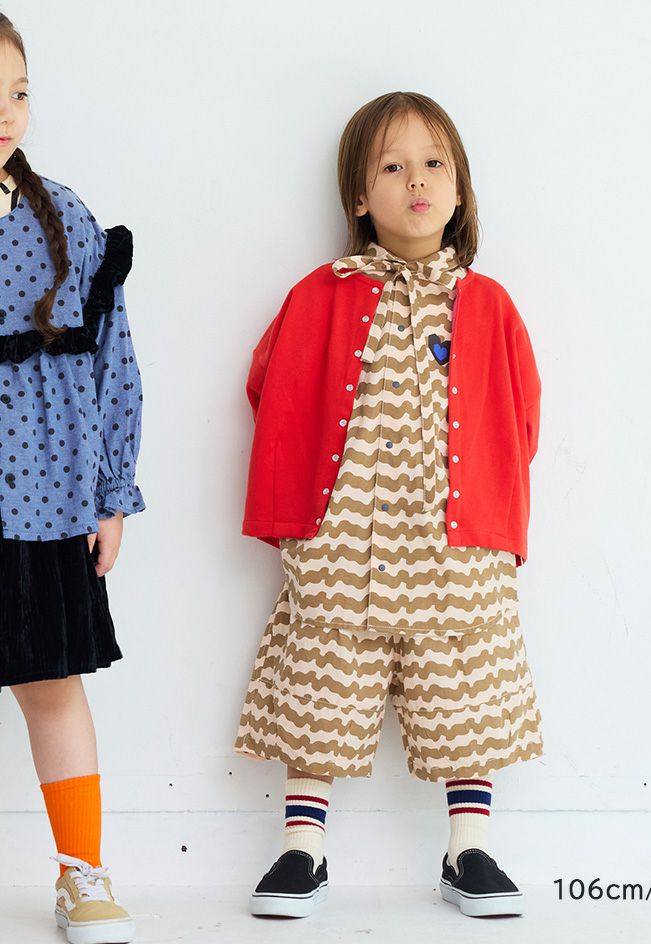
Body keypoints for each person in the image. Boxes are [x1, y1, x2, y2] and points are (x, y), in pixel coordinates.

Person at [234, 90, 544, 919]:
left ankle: (468, 847)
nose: (417, 181)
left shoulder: (488, 305)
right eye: (394, 166)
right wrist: (303, 519)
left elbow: (520, 415)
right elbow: (273, 390)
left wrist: (496, 515)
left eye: (435, 163)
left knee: (462, 675)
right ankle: (303, 848)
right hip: (344, 532)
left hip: (457, 536)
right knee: (326, 669)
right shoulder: (320, 294)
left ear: (461, 188)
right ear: (359, 199)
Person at [0, 13, 144, 944]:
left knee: (52, 686)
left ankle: (80, 872)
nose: (5, 114)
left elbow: (112, 363)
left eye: (16, 93)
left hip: (45, 501)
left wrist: (110, 494)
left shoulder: (67, 220)